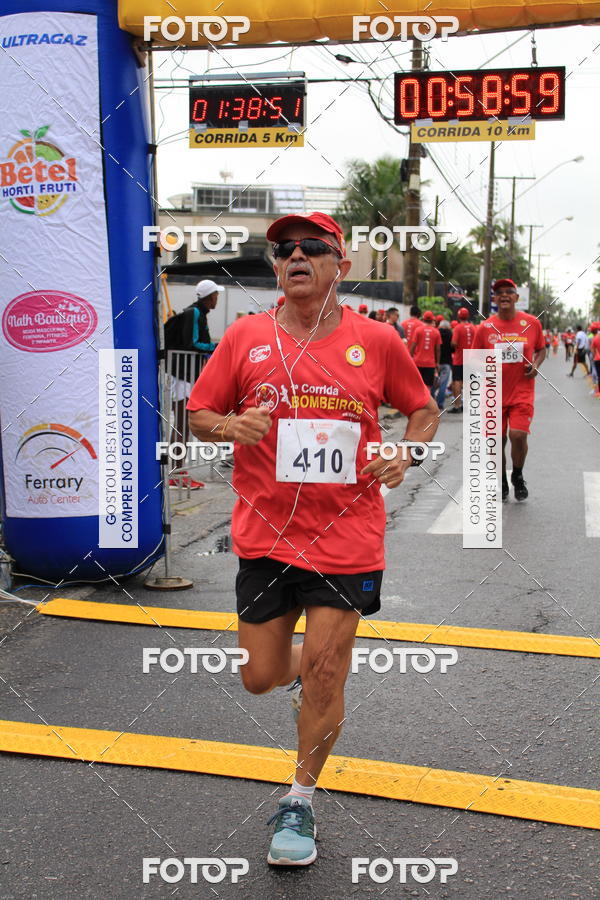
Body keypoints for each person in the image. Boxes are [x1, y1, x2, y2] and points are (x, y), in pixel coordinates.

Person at [187, 211, 439, 867]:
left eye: (312, 247)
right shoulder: (245, 337)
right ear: (276, 267)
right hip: (265, 538)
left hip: (347, 537)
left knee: (328, 668)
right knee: (259, 676)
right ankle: (309, 675)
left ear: (340, 265)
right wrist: (228, 428)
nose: (295, 256)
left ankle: (299, 799)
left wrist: (407, 454)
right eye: (283, 249)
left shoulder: (376, 342)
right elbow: (200, 414)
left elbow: (424, 409)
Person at [473, 278, 546, 502]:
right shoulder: (485, 328)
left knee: (517, 435)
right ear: (494, 299)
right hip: (493, 394)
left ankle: (517, 474)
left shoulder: (532, 323)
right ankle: (502, 480)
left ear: (516, 297)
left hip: (522, 392)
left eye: (509, 292)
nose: (504, 295)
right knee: (495, 440)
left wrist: (535, 365)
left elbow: (541, 350)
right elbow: (474, 358)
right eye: (499, 293)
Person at [164, 279, 224, 489]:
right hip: (181, 374)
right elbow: (193, 343)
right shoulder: (195, 313)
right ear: (209, 296)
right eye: (216, 295)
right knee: (181, 423)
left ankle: (178, 472)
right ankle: (176, 474)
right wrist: (215, 346)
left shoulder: (199, 313)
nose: (218, 298)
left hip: (186, 373)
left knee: (183, 425)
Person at [449, 306, 476, 414]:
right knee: (469, 382)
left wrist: (454, 346)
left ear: (458, 316)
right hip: (471, 359)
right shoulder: (473, 327)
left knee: (457, 382)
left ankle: (457, 405)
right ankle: (469, 405)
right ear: (468, 316)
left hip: (459, 359)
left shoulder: (458, 328)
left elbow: (454, 343)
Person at [409, 309, 441, 391]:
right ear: (432, 320)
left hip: (418, 362)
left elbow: (413, 346)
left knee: (416, 385)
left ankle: (416, 402)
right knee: (427, 387)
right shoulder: (436, 332)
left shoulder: (418, 330)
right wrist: (437, 362)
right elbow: (438, 349)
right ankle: (426, 403)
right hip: (430, 363)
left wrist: (410, 357)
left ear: (423, 319)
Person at [435, 319, 453, 411]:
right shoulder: (451, 334)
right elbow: (453, 347)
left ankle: (431, 401)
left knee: (433, 383)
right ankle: (440, 403)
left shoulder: (436, 332)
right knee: (443, 384)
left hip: (435, 362)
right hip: (447, 362)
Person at [591, 322, 600, 397]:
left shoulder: (595, 338)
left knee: (598, 375)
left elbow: (593, 351)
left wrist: (594, 357)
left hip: (597, 359)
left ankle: (598, 391)